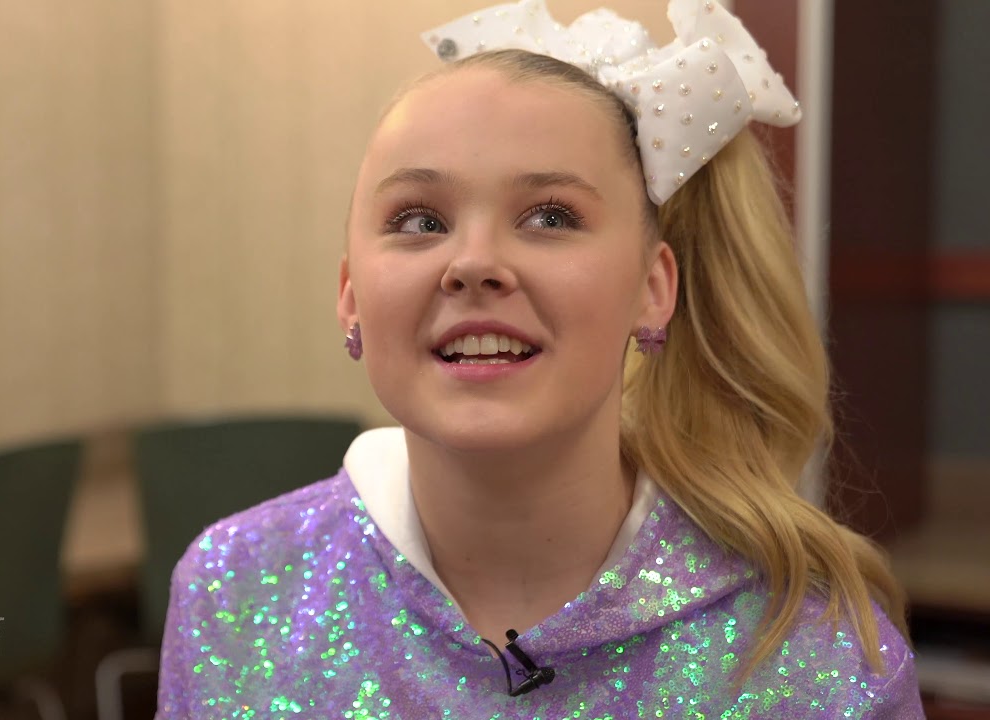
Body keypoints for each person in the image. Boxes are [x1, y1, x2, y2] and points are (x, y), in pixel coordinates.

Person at [156, 0, 923, 716]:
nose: (473, 263)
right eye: (419, 220)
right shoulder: (234, 595)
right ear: (352, 295)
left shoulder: (816, 658)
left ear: (653, 290)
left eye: (550, 217)